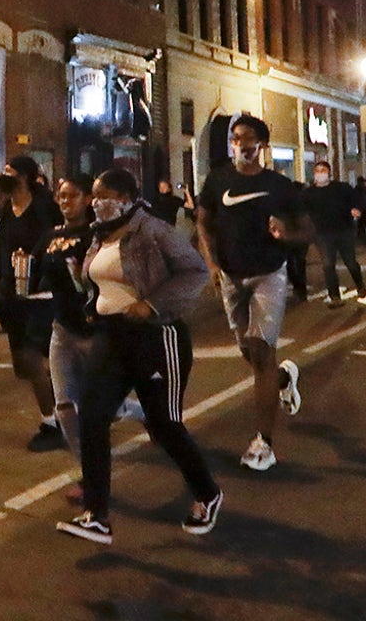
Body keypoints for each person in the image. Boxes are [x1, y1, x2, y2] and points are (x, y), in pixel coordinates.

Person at [56, 169, 222, 546]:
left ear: (129, 198)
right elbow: (102, 280)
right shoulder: (100, 234)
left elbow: (194, 271)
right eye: (95, 197)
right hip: (112, 336)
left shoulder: (152, 231)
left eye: (107, 196)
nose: (98, 204)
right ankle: (97, 516)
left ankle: (208, 494)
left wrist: (151, 304)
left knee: (164, 425)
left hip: (156, 337)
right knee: (93, 417)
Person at [195, 115, 308, 472]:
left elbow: (306, 230)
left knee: (261, 353)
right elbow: (203, 221)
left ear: (262, 145)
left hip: (268, 275)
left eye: (250, 138)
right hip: (231, 277)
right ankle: (284, 379)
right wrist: (211, 265)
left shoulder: (279, 185)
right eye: (236, 137)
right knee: (251, 354)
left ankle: (264, 443)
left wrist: (284, 235)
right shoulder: (217, 180)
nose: (242, 143)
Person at [0, 155, 65, 451]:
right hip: (14, 295)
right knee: (23, 366)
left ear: (24, 177)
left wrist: (41, 261)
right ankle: (70, 405)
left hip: (42, 294)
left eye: (10, 171)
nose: (5, 175)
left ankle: (53, 424)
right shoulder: (4, 211)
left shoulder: (45, 208)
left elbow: (62, 239)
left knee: (34, 361)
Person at [36, 172, 98, 503]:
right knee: (65, 406)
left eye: (72, 195)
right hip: (62, 328)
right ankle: (91, 476)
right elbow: (36, 270)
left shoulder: (97, 234)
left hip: (94, 330)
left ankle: (146, 411)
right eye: (60, 196)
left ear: (88, 199)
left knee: (100, 407)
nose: (64, 201)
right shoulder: (51, 235)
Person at [304, 160, 366, 309]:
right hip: (323, 234)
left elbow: (356, 200)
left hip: (343, 231)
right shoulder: (308, 193)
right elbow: (302, 211)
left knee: (350, 262)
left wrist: (356, 209)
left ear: (329, 173)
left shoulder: (341, 188)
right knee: (328, 265)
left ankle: (360, 285)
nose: (320, 174)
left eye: (323, 171)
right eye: (317, 171)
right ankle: (334, 296)